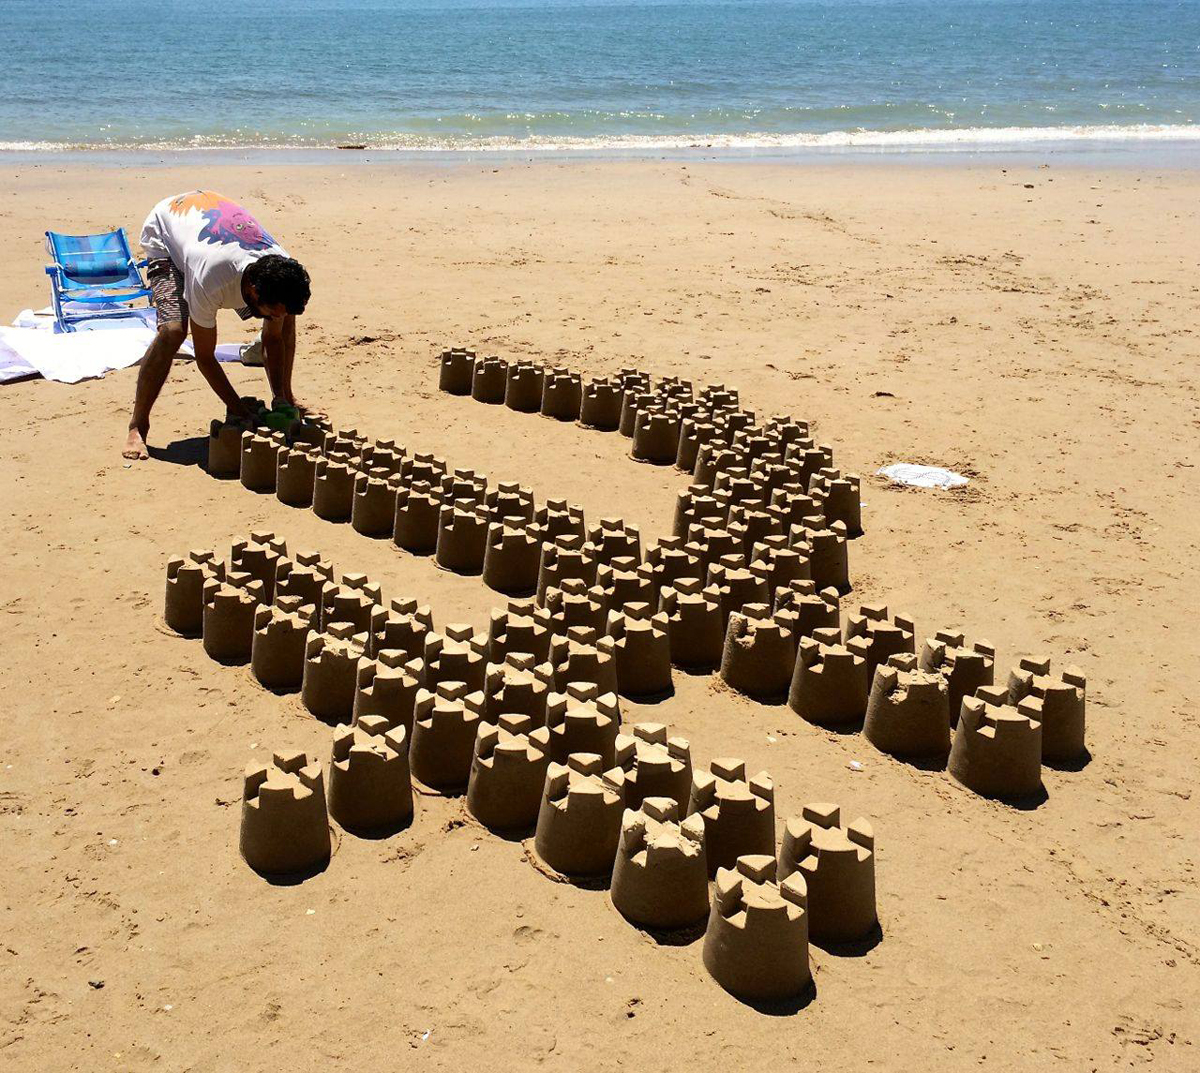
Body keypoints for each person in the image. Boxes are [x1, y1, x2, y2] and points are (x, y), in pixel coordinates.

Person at [122, 190, 311, 460]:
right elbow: (205, 358)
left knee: (285, 317)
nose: (275, 318)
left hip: (208, 223)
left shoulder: (282, 267)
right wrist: (238, 409)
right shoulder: (210, 279)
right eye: (271, 313)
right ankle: (138, 425)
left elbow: (273, 338)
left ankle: (286, 397)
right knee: (173, 331)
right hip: (166, 236)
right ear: (253, 292)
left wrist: (280, 399)